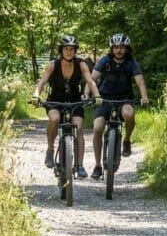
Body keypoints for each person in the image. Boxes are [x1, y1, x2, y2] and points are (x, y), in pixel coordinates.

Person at [30, 35, 101, 178]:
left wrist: (97, 95)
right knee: (55, 119)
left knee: (79, 128)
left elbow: (90, 81)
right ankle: (50, 150)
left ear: (75, 51)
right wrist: (36, 95)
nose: (69, 52)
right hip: (56, 100)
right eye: (66, 49)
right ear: (61, 50)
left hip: (75, 101)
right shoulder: (52, 65)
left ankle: (80, 165)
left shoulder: (81, 64)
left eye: (72, 49)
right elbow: (42, 82)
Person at [90, 33, 150, 180]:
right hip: (104, 99)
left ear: (126, 48)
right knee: (98, 128)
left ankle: (127, 140)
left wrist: (144, 97)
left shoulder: (131, 63)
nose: (118, 50)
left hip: (125, 98)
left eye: (122, 47)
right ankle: (97, 165)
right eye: (116, 47)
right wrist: (87, 93)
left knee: (129, 114)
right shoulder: (105, 60)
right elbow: (92, 79)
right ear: (112, 49)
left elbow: (140, 82)